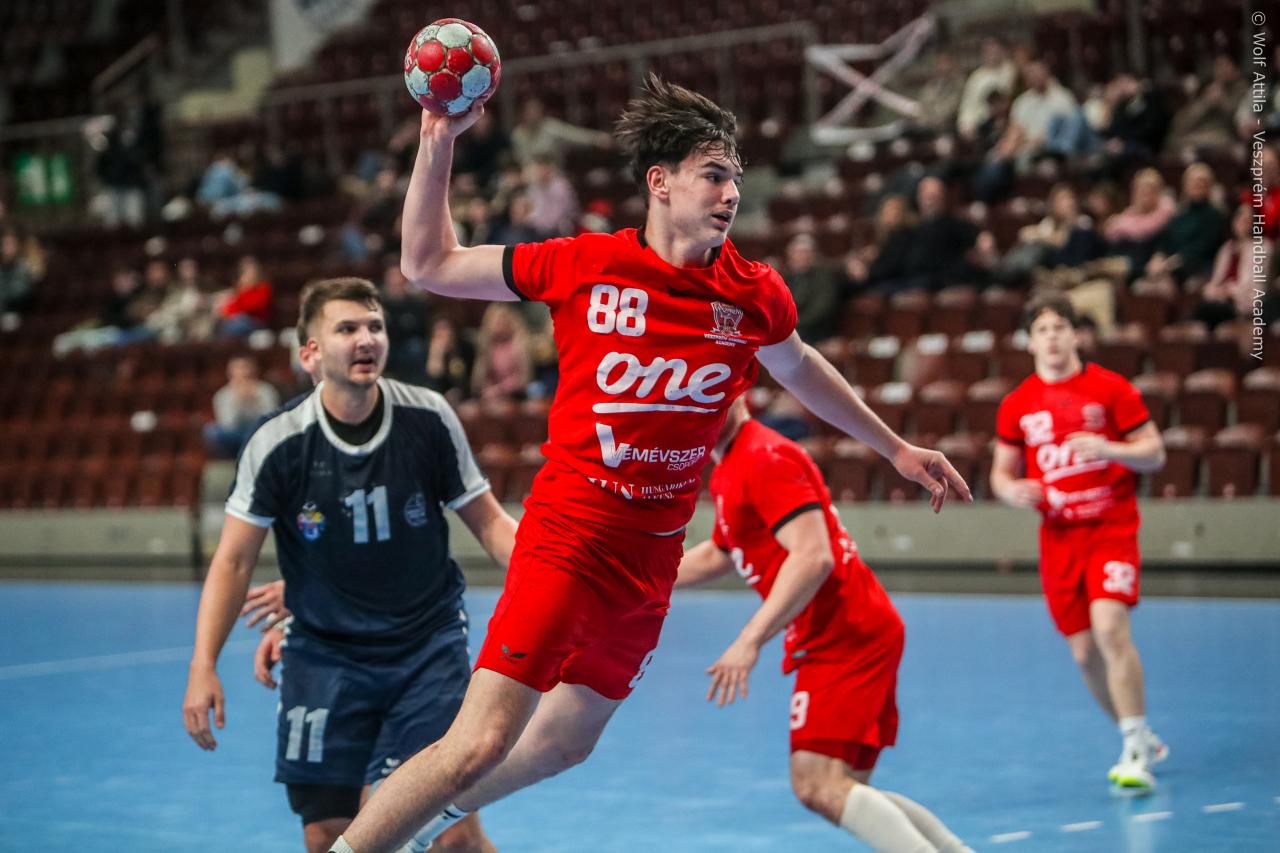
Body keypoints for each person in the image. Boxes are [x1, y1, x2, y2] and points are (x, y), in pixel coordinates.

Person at [328, 74, 970, 853]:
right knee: (483, 739)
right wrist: (438, 141)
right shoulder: (583, 263)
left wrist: (896, 447)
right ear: (660, 183)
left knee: (565, 742)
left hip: (649, 560)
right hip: (567, 534)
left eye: (735, 176)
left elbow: (801, 367)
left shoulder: (754, 294)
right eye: (713, 174)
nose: (731, 192)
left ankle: (417, 809)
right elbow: (429, 261)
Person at [182, 277, 514, 853]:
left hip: (426, 646)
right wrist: (202, 664)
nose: (366, 339)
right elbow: (233, 561)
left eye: (375, 326)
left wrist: (561, 586)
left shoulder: (428, 418)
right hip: (325, 655)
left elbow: (490, 524)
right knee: (327, 834)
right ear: (309, 354)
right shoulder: (277, 443)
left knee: (454, 834)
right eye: (347, 328)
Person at [676, 398, 973, 852]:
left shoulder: (762, 456)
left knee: (817, 784)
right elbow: (723, 550)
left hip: (845, 634)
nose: (698, 407)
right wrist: (644, 578)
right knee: (843, 785)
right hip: (847, 629)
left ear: (738, 391)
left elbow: (814, 557)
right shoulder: (732, 465)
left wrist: (749, 640)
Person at [990, 293, 1168, 792]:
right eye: (1042, 330)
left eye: (1059, 328)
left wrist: (1109, 448)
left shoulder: (1111, 389)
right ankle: (1139, 734)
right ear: (1029, 342)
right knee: (1085, 653)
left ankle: (1134, 749)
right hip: (1058, 538)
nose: (1052, 337)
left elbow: (1155, 453)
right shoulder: (1017, 404)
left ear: (1076, 336)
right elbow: (1001, 474)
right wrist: (1012, 492)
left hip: (1111, 527)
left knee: (1110, 627)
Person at [202, 355, 282, 459]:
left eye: (245, 368)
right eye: (238, 369)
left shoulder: (266, 390)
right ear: (230, 373)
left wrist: (253, 400)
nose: (242, 372)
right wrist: (238, 401)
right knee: (211, 431)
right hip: (235, 433)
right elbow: (228, 423)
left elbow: (270, 418)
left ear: (253, 371)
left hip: (259, 431)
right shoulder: (222, 395)